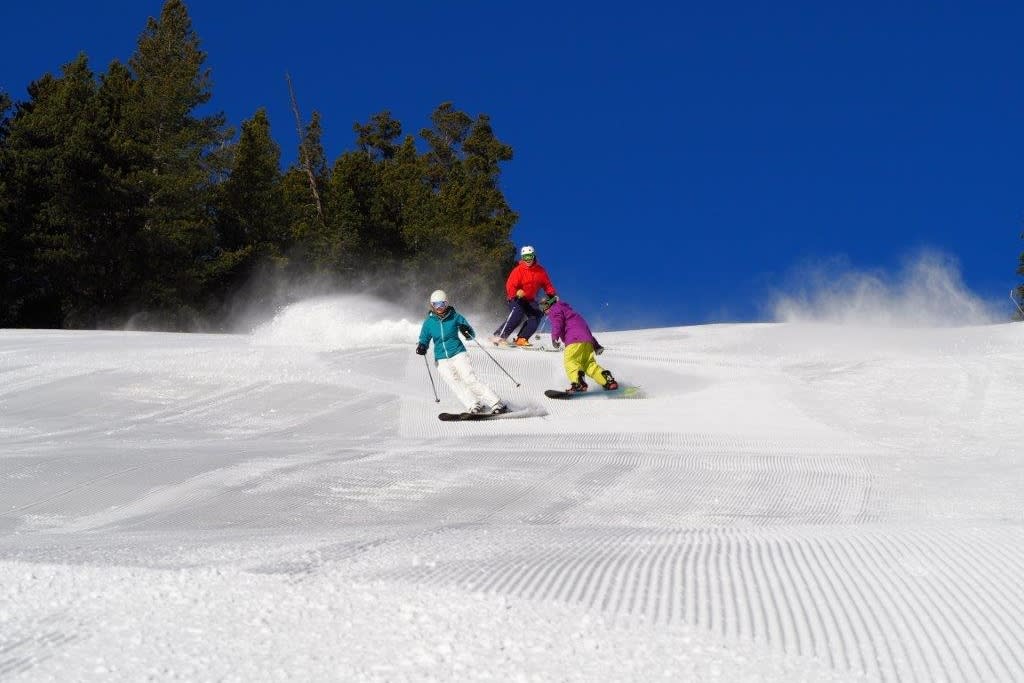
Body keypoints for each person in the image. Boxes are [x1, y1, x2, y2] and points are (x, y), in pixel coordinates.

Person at [417, 289, 509, 415]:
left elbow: (471, 335)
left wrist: (466, 330)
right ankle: (474, 404)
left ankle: (496, 403)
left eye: (442, 304)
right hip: (441, 358)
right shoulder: (429, 322)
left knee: (469, 379)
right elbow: (424, 337)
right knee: (454, 383)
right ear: (432, 305)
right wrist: (422, 345)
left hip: (458, 352)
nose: (439, 307)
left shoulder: (456, 317)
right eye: (436, 304)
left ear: (446, 303)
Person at [541, 295, 618, 392]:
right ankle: (608, 380)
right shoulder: (573, 314)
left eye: (544, 306)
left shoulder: (555, 309)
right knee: (589, 365)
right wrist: (596, 345)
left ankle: (578, 383)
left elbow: (557, 323)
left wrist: (554, 338)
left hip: (573, 340)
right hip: (587, 343)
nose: (544, 311)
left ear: (550, 303)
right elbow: (585, 330)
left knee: (570, 360)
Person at [491, 245, 557, 347]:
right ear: (522, 258)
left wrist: (552, 296)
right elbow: (510, 285)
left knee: (537, 314)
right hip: (517, 298)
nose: (528, 259)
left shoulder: (540, 271)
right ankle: (499, 336)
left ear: (533, 256)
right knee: (518, 314)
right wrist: (516, 292)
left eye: (530, 256)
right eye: (525, 257)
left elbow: (547, 285)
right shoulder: (518, 270)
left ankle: (522, 338)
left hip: (529, 299)